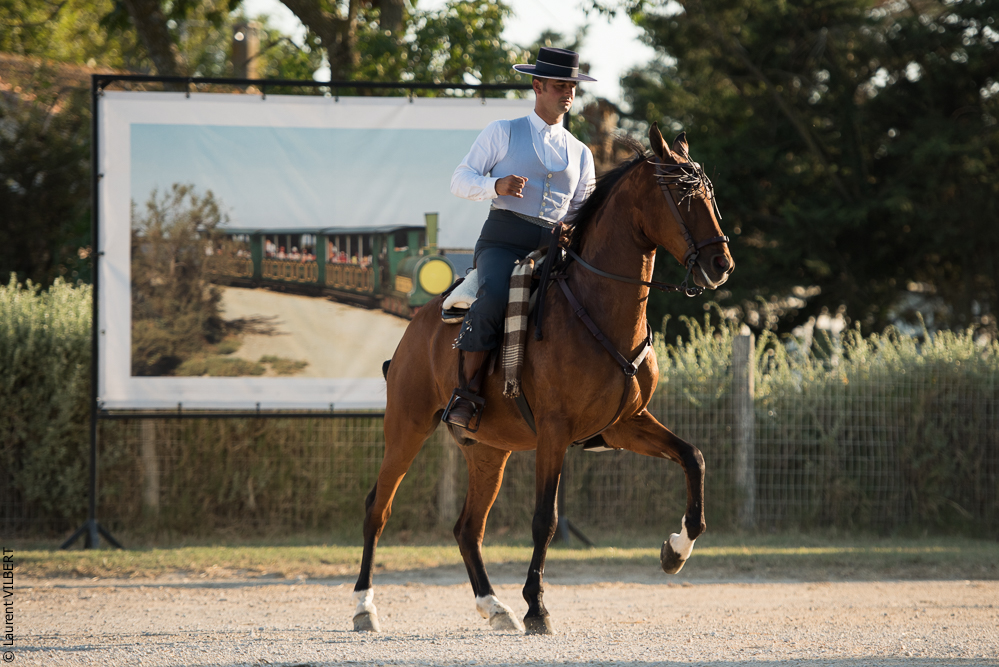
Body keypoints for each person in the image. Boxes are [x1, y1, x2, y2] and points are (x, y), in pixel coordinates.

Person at [443, 46, 596, 429]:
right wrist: (496, 185)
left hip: (553, 249)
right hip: (503, 241)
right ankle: (468, 392)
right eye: (560, 85)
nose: (568, 93)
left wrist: (574, 228)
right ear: (537, 85)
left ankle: (595, 402)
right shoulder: (502, 131)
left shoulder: (581, 153)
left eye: (573, 87)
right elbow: (459, 181)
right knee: (495, 297)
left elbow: (583, 210)